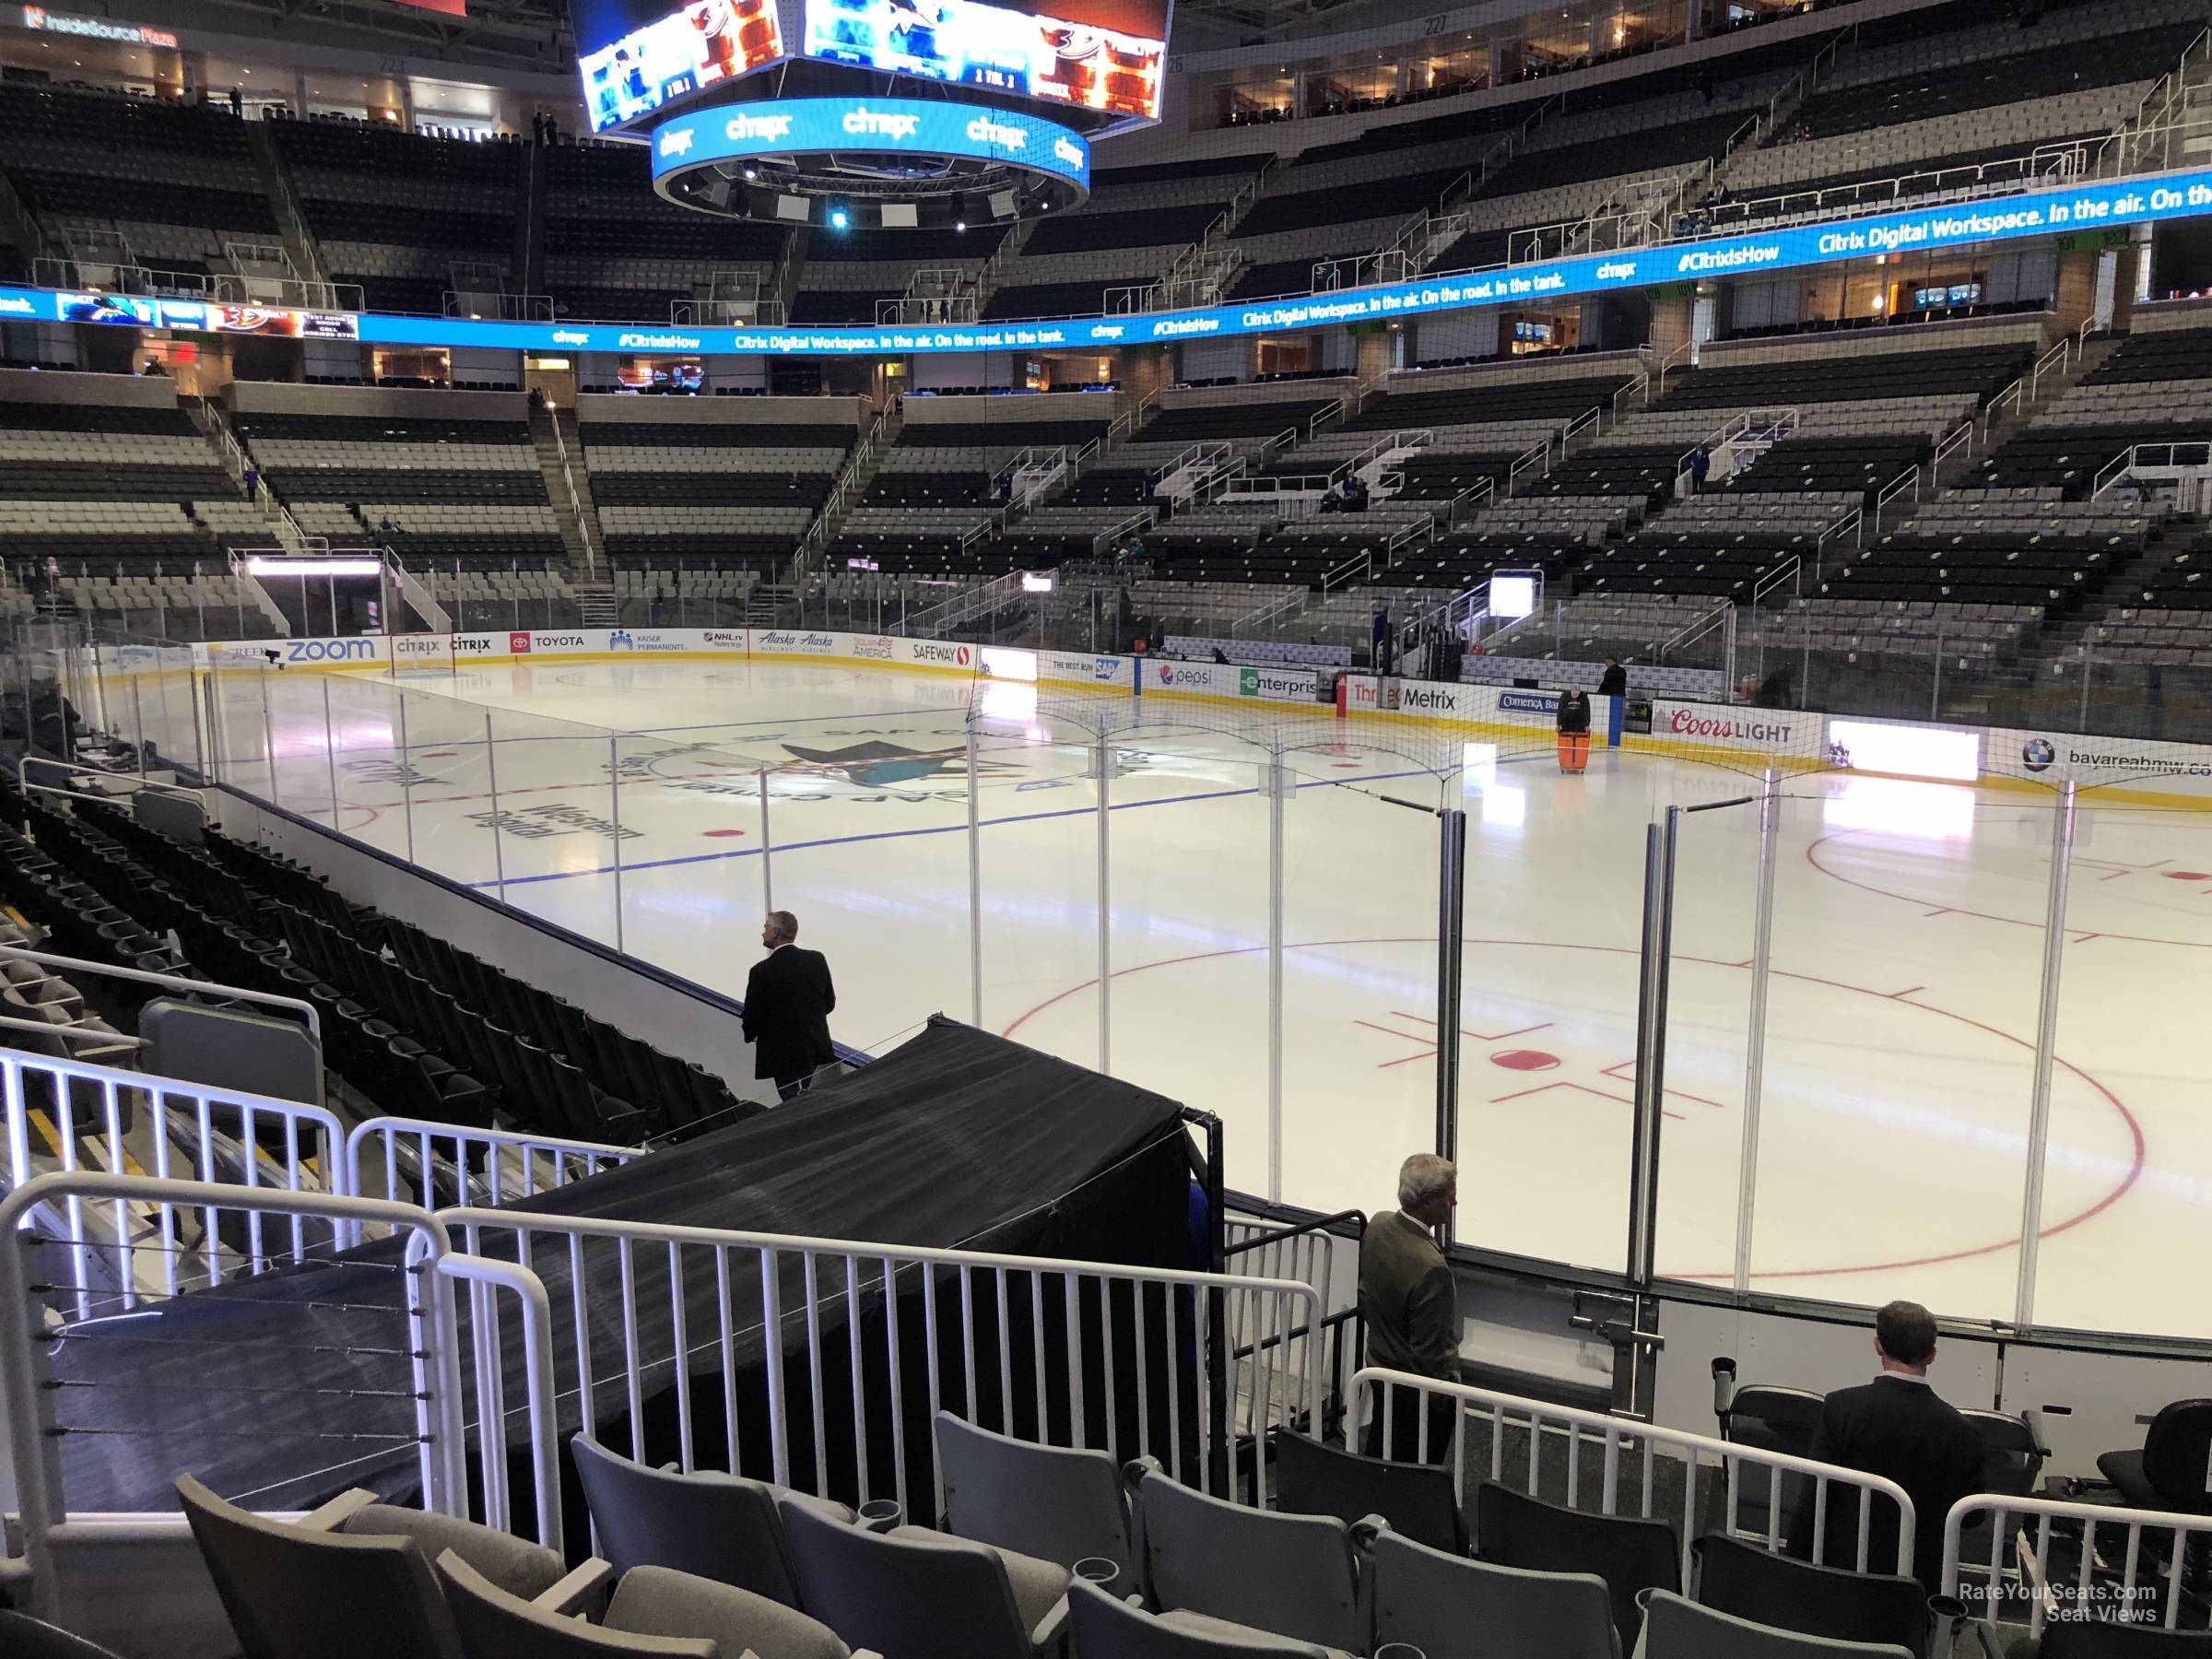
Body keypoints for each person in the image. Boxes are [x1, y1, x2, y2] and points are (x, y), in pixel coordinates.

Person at [1787, 1300, 1984, 1592]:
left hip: (1839, 1575)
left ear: (1878, 1345)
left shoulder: (1842, 1408)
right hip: (1916, 1588)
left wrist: (1793, 1568)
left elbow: (1815, 1496)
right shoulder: (1964, 1433)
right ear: (1932, 1355)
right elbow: (1972, 1516)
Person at [1359, 1154, 1461, 1464]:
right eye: (1448, 1195)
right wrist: (1445, 1394)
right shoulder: (1430, 1267)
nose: (1454, 1202)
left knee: (1382, 1448)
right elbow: (1429, 1351)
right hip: (1413, 1390)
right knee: (1416, 1465)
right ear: (1428, 1201)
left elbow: (1365, 1295)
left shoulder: (1377, 1225)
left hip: (1378, 1366)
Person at [742, 910, 838, 1101]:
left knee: (791, 1104)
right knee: (811, 1101)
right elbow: (829, 1002)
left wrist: (749, 1034)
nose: (763, 932)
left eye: (766, 928)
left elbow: (753, 1015)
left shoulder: (761, 971)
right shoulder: (816, 960)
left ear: (776, 933)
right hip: (813, 1048)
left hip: (781, 1055)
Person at [1556, 686, 1592, 773]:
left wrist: (1587, 725)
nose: (1575, 696)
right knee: (1567, 742)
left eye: (1577, 695)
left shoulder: (1584, 697)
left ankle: (1578, 762)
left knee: (1579, 742)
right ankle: (1567, 762)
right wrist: (1558, 724)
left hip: (1580, 722)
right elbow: (1560, 711)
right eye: (1573, 695)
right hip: (1566, 722)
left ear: (1579, 693)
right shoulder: (1564, 696)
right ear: (1570, 692)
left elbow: (1587, 711)